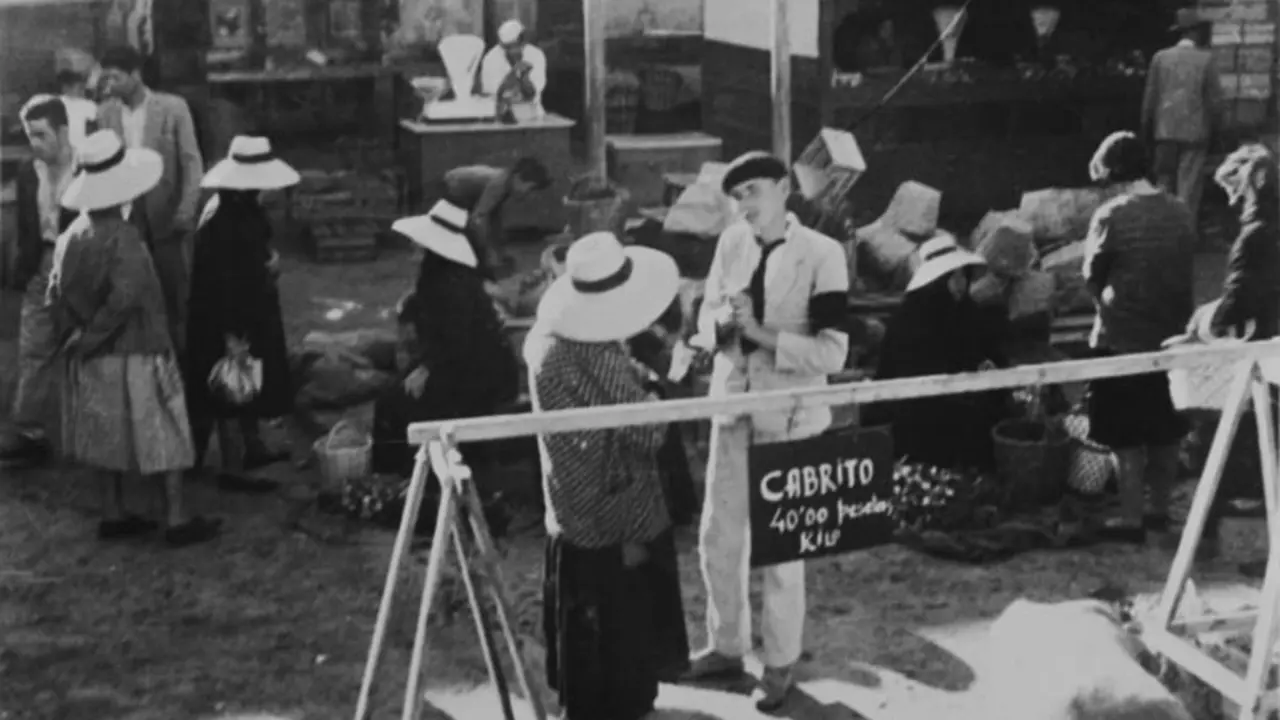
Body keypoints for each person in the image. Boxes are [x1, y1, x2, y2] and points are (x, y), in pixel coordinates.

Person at [686, 151, 850, 710]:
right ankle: (726, 646)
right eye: (737, 197)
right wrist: (722, 328)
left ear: (783, 190)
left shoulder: (823, 255)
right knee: (718, 536)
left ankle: (779, 664)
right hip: (733, 407)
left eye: (754, 191)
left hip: (792, 416)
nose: (745, 205)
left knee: (783, 549)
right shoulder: (731, 243)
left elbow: (833, 349)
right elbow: (709, 315)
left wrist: (761, 333)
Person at [525, 230, 689, 720]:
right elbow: (647, 432)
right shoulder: (591, 352)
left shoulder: (543, 338)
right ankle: (621, 701)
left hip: (569, 490)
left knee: (585, 612)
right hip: (615, 501)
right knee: (622, 614)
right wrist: (659, 395)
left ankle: (591, 698)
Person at [52, 130, 220, 546]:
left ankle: (113, 511)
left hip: (95, 356)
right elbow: (127, 296)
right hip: (139, 349)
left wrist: (80, 335)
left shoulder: (71, 236)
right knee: (163, 432)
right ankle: (176, 517)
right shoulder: (124, 238)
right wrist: (97, 332)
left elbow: (56, 294)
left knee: (106, 436)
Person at [1082, 131, 1195, 544]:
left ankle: (1130, 517)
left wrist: (1107, 307)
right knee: (1167, 429)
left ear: (1112, 173)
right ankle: (1159, 512)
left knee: (1125, 436)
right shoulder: (1181, 211)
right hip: (1171, 338)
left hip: (1121, 338)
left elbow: (1090, 278)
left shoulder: (1111, 215)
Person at [370, 200, 520, 478]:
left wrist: (425, 369)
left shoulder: (451, 284)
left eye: (419, 244)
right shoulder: (443, 277)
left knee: (392, 402)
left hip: (477, 376)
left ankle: (402, 475)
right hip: (463, 364)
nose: (414, 249)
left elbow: (457, 342)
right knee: (394, 391)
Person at [185, 136, 299, 492]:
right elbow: (221, 283)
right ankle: (233, 468)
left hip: (252, 308)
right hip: (226, 315)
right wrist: (232, 334)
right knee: (230, 390)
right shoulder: (220, 221)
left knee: (251, 380)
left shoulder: (243, 209)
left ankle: (253, 446)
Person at [1201, 144, 1280, 576]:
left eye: (1233, 188)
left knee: (1241, 446)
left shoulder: (1255, 235)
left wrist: (1206, 323)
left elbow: (1242, 296)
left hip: (1262, 352)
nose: (1229, 199)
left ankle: (1235, 540)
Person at [869, 233, 1009, 470]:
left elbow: (989, 351)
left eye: (962, 276)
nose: (960, 284)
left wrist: (989, 365)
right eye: (951, 277)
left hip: (966, 408)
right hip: (921, 417)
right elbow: (908, 375)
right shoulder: (909, 321)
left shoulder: (969, 312)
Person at [96, 44, 205, 351]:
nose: (109, 85)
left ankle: (182, 368)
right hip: (122, 219)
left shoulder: (173, 108)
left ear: (136, 74)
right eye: (106, 79)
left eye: (115, 78)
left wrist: (186, 209)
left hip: (165, 217)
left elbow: (191, 161)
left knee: (174, 297)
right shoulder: (105, 113)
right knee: (128, 297)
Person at [0, 96, 81, 469]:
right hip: (41, 263)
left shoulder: (86, 167)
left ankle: (90, 433)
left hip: (79, 265)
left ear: (63, 132)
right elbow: (27, 225)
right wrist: (24, 265)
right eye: (30, 135)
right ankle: (30, 433)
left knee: (84, 346)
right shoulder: (29, 172)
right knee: (33, 347)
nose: (34, 143)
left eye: (41, 135)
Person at [1141, 8, 1222, 223]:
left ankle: (1160, 231)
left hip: (1164, 132)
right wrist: (1218, 130)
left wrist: (1146, 128)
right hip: (1195, 135)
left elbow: (1150, 98)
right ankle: (1184, 235)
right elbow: (1214, 102)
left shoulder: (1160, 58)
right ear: (1195, 32)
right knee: (1189, 188)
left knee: (1163, 185)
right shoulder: (1206, 60)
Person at [441, 157, 550, 278]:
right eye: (530, 188)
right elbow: (479, 219)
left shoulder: (506, 182)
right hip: (451, 188)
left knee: (487, 226)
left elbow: (493, 218)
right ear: (518, 177)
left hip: (460, 186)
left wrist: (497, 251)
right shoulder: (498, 185)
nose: (527, 194)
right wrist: (491, 255)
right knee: (471, 230)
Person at [480, 20, 548, 120]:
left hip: (532, 115)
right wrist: (513, 73)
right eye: (507, 47)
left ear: (523, 41)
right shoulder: (491, 58)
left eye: (515, 45)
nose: (512, 51)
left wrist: (524, 78)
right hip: (501, 116)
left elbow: (532, 93)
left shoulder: (536, 55)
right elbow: (496, 93)